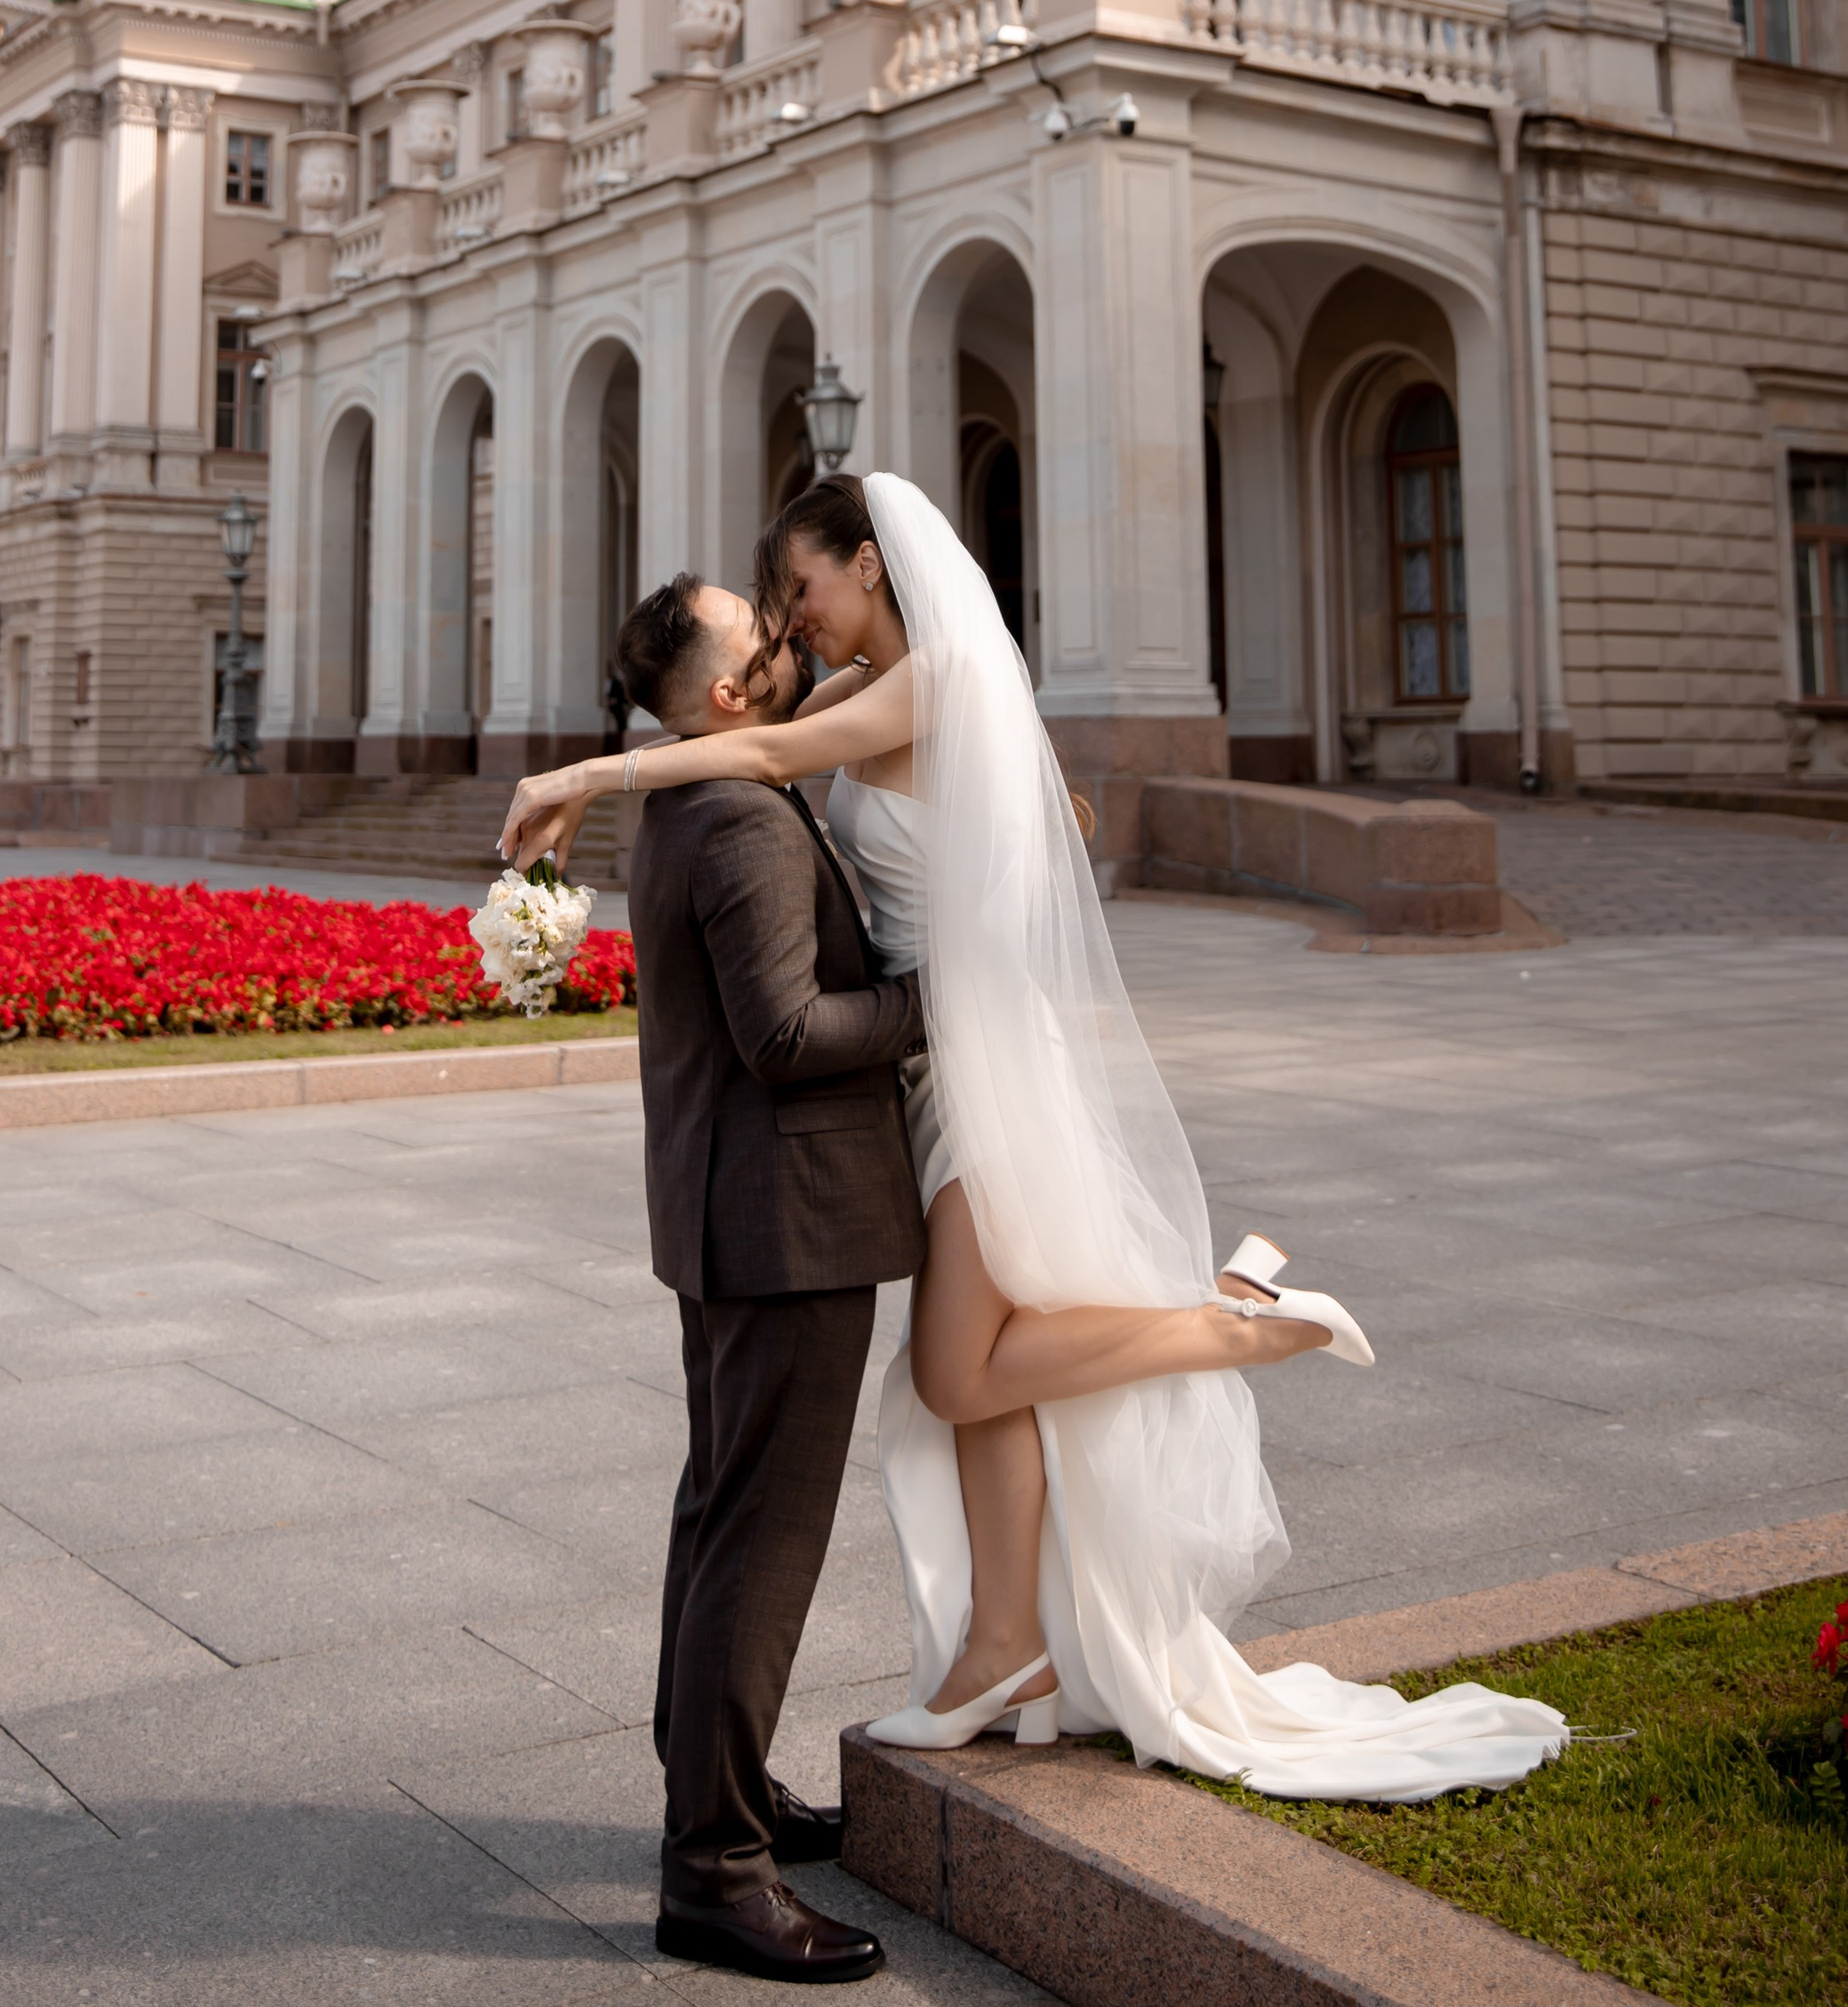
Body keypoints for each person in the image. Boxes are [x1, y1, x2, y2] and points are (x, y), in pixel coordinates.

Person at [505, 474, 1570, 1805]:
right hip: (938, 1065)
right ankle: (1003, 1646)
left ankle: (1229, 1322)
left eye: (805, 587)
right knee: (983, 1374)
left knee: (959, 1373)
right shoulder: (862, 697)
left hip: (981, 1072)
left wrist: (588, 773)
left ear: (873, 568)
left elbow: (766, 758)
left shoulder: (942, 679)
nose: (795, 617)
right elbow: (790, 755)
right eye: (778, 603)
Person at [609, 566, 924, 1984]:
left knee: (716, 1508)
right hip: (788, 1223)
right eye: (764, 635)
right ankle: (714, 1873)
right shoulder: (736, 817)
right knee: (761, 1537)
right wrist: (936, 998)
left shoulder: (698, 783)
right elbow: (787, 1035)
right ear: (729, 696)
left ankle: (716, 1792)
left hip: (733, 1212)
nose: (791, 639)